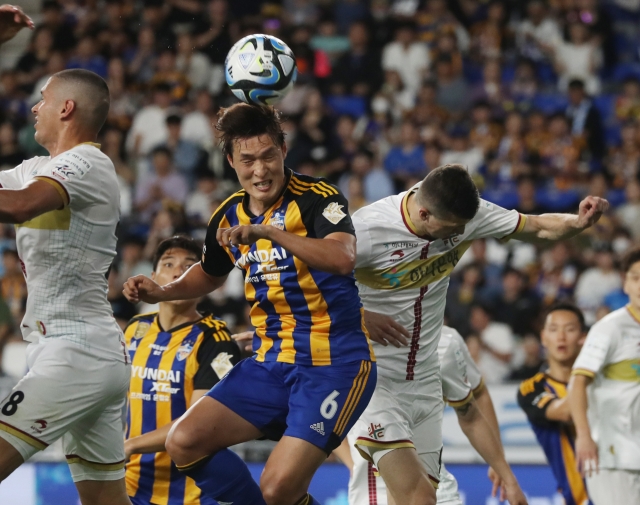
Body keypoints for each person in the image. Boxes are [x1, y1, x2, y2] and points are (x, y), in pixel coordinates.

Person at [123, 103, 376, 505]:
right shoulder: (227, 214)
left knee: (278, 489)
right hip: (269, 364)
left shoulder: (317, 198)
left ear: (283, 150)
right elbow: (210, 272)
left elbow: (343, 258)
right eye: (248, 160)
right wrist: (162, 292)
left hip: (335, 366)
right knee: (184, 440)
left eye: (268, 156)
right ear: (230, 161)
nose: (260, 170)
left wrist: (268, 233)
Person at [349, 163, 608, 505]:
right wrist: (362, 316)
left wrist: (576, 223)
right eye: (451, 228)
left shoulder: (468, 216)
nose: (458, 234)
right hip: (373, 377)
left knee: (422, 498)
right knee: (417, 499)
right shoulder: (365, 230)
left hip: (425, 383)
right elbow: (303, 287)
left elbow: (539, 228)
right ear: (424, 213)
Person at [0, 68, 131, 505]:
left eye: (42, 98)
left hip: (76, 354)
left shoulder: (89, 163)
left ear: (66, 107)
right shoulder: (37, 168)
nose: (34, 107)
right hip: (83, 351)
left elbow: (18, 207)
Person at [333, 325, 525, 505]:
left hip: (436, 486)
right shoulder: (355, 338)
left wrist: (503, 470)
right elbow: (331, 415)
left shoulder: (446, 342)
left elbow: (476, 401)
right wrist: (354, 464)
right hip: (374, 491)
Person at [125, 235, 241, 505]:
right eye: (168, 265)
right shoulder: (135, 328)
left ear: (204, 281)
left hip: (192, 492)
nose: (178, 271)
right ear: (152, 276)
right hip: (131, 483)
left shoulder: (216, 341)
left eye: (190, 266)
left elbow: (196, 425)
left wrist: (129, 446)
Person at [569, 247, 640, 504]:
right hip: (612, 457)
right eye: (635, 277)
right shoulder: (609, 329)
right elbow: (577, 383)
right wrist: (584, 436)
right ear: (625, 282)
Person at [517, 304, 591, 505]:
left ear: (583, 337)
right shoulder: (532, 388)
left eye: (569, 329)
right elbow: (566, 413)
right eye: (553, 329)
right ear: (543, 337)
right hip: (579, 498)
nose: (561, 337)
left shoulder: (601, 379)